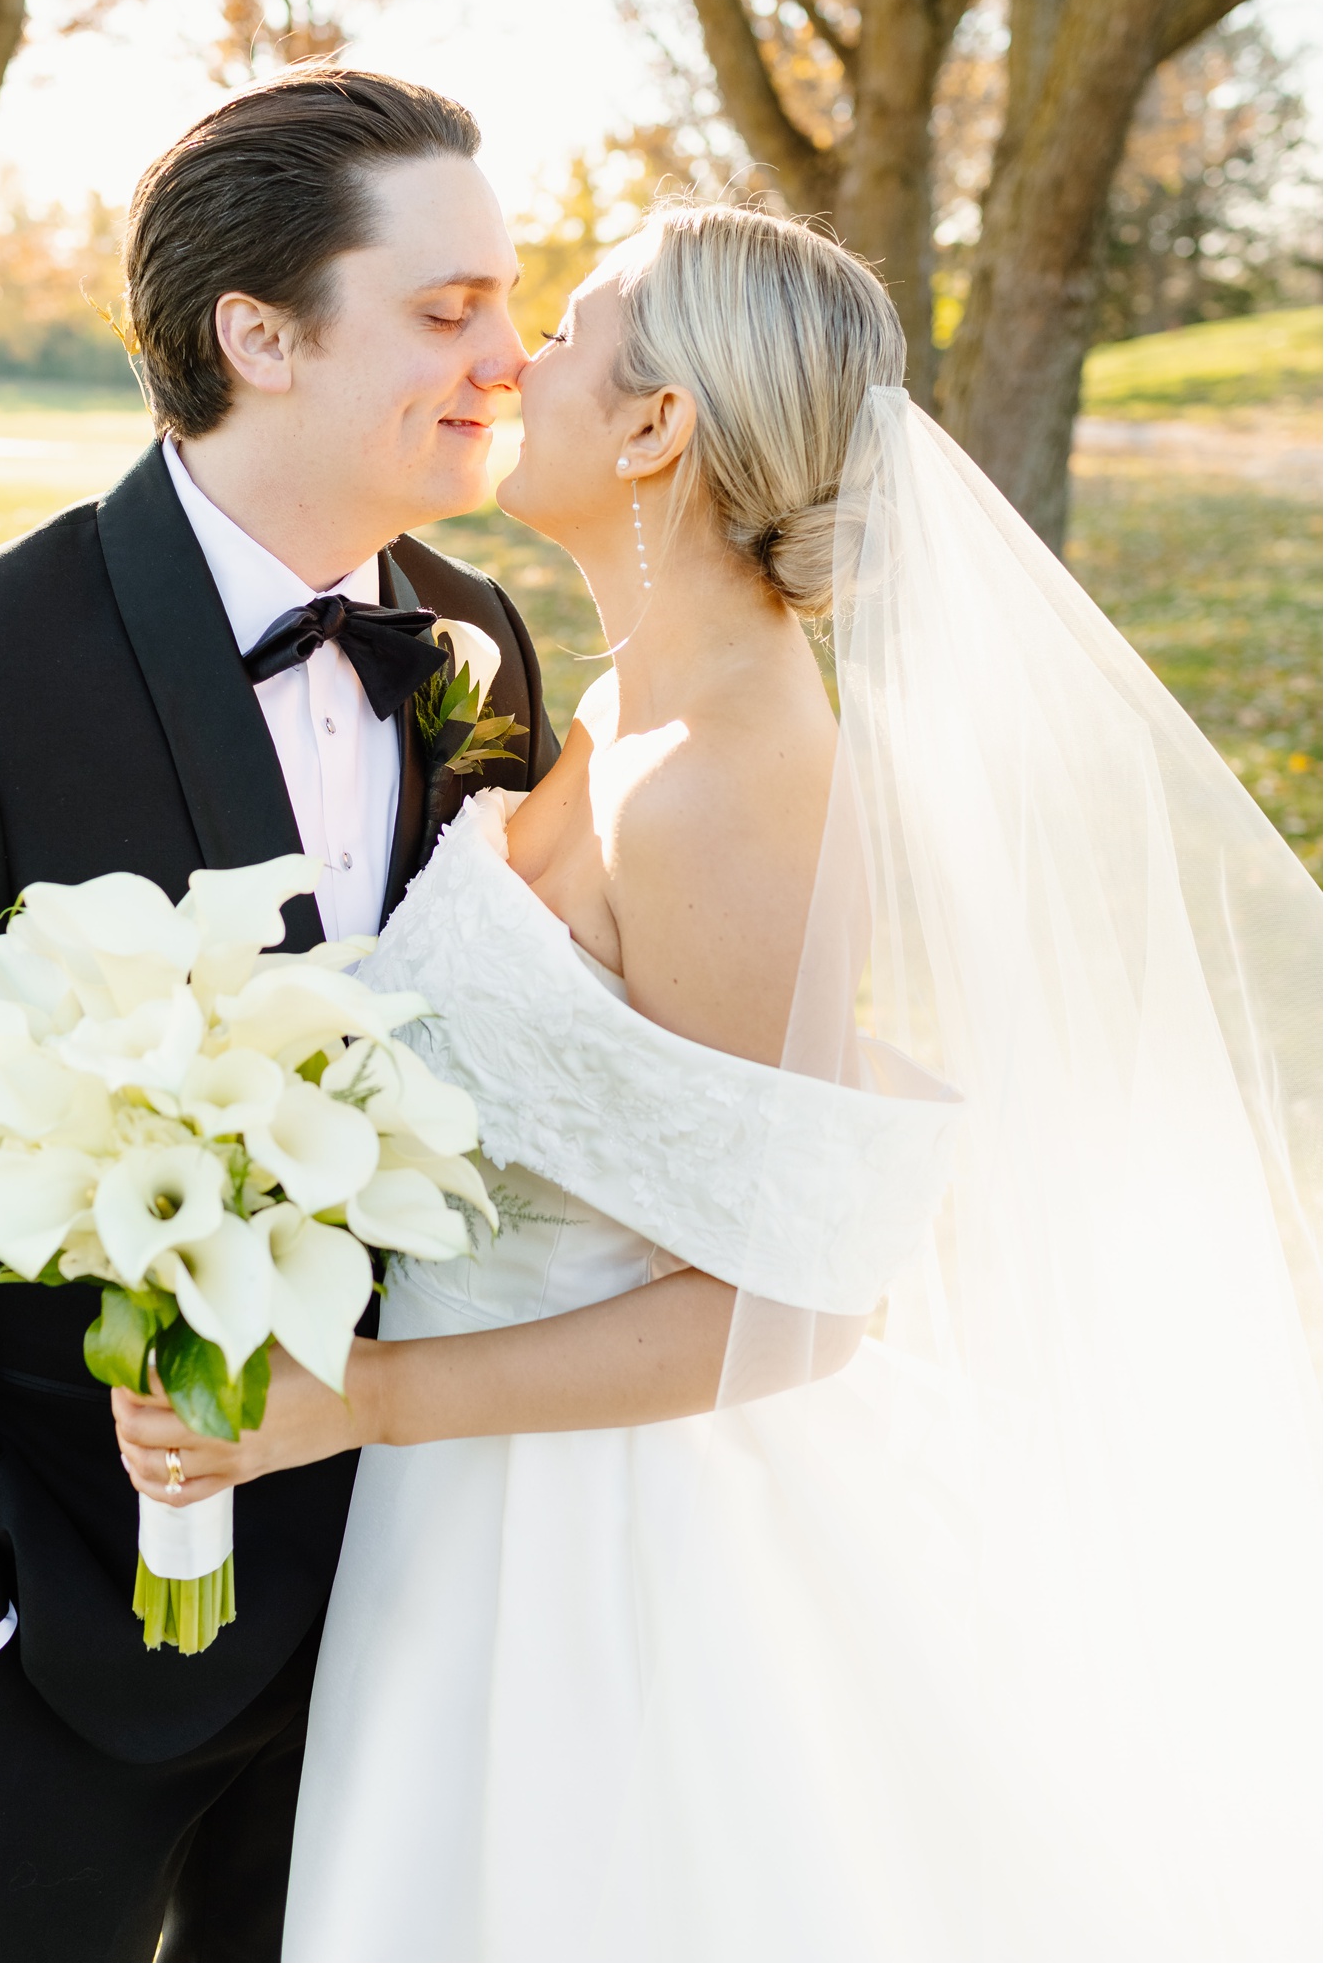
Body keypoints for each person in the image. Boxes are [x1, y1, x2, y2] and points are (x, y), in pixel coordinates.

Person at [115, 204, 1323, 1961]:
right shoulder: (620, 712)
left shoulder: (737, 780)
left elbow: (798, 1306)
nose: (514, 357)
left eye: (574, 325)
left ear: (656, 426)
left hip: (614, 1562)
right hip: (467, 1512)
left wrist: (361, 1395)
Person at [0, 68, 559, 1963]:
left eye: (510, 306)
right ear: (255, 334)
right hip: (56, 1633)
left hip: (398, 1609)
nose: (507, 356)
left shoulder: (474, 639)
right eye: (448, 312)